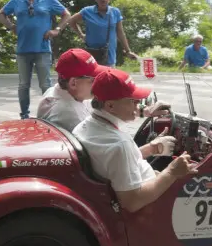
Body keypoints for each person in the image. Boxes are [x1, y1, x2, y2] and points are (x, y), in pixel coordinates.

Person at [73, 69, 198, 213]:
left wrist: (150, 149)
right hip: (148, 208)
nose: (138, 105)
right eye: (132, 101)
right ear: (110, 106)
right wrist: (171, 172)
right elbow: (132, 202)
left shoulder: (86, 126)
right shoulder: (119, 145)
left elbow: (114, 163)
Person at [38, 48, 173, 132]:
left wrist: (145, 111)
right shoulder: (67, 114)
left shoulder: (69, 94)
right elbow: (98, 159)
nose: (98, 82)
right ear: (73, 82)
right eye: (94, 79)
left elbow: (99, 108)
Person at [0, 0, 71, 119]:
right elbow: (1, 14)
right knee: (23, 85)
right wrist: (11, 26)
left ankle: (49, 115)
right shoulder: (17, 0)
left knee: (45, 85)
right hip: (23, 49)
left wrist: (56, 29)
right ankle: (24, 115)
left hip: (42, 49)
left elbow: (66, 14)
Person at [56, 0, 138, 67]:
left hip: (109, 56)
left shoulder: (115, 12)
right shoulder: (87, 11)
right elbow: (71, 21)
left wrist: (128, 51)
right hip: (91, 56)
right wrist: (81, 35)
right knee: (91, 79)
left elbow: (120, 32)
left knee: (107, 79)